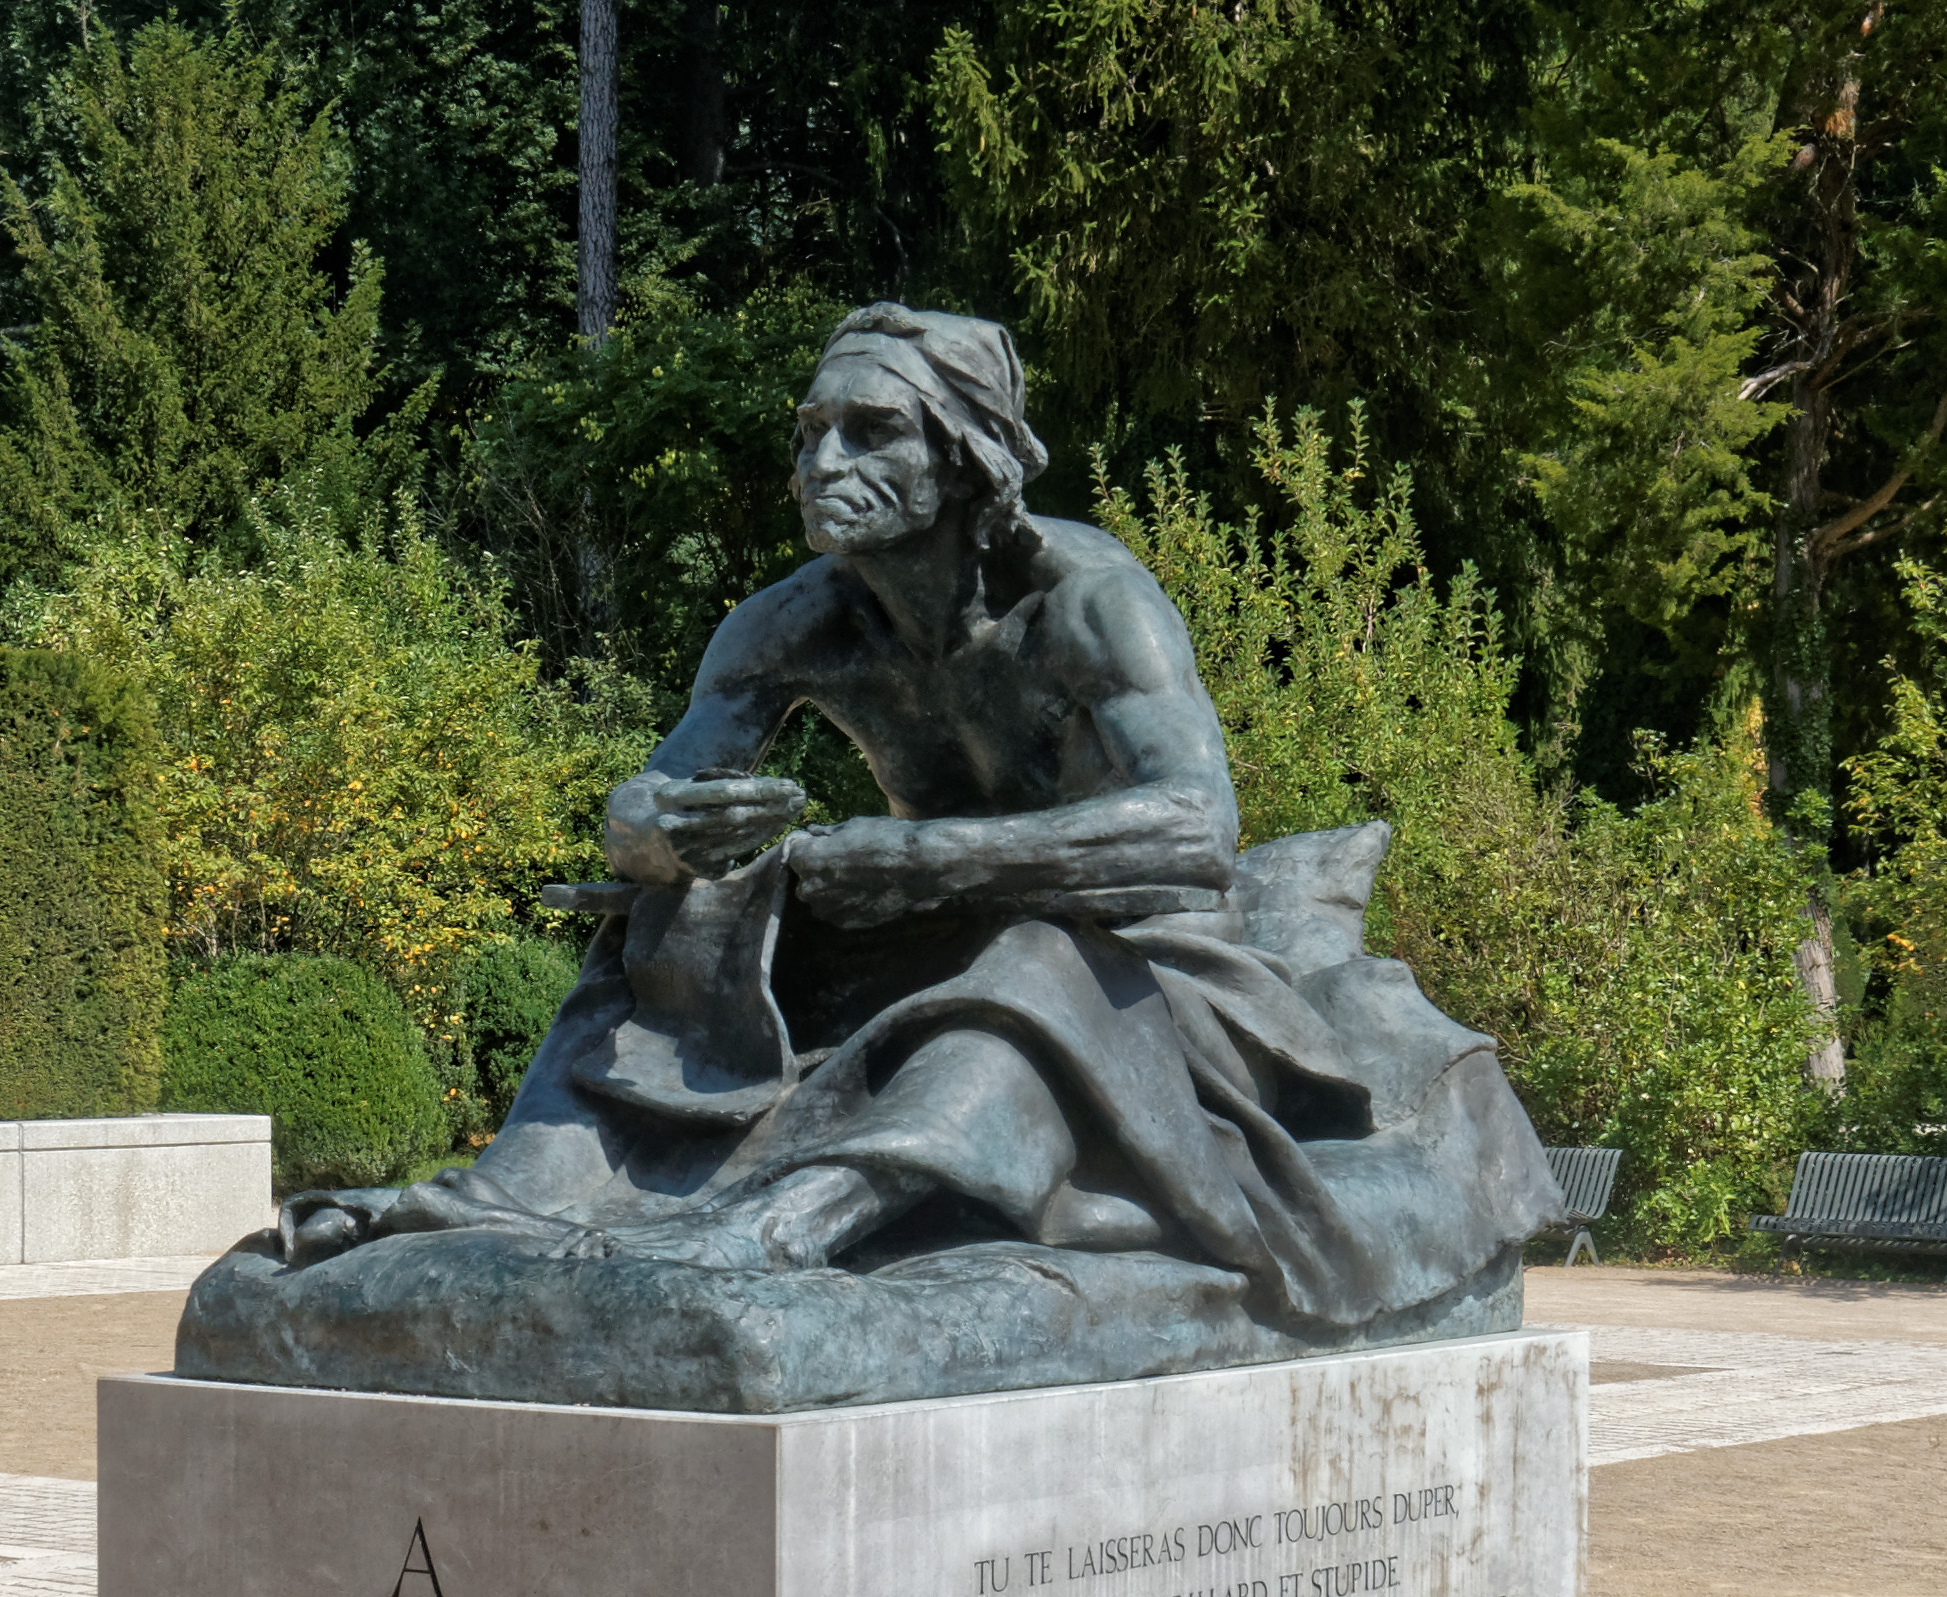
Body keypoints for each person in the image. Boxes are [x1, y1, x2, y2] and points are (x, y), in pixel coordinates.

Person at [277, 304, 1554, 1334]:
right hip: (922, 948)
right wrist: (657, 832)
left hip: (1148, 971)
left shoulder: (1090, 601)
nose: (822, 465)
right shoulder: (789, 626)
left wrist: (924, 858)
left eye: (871, 432)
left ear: (964, 455)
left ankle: (784, 1228)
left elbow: (1193, 832)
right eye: (810, 434)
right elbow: (645, 812)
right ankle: (514, 1194)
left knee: (1035, 964)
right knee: (668, 928)